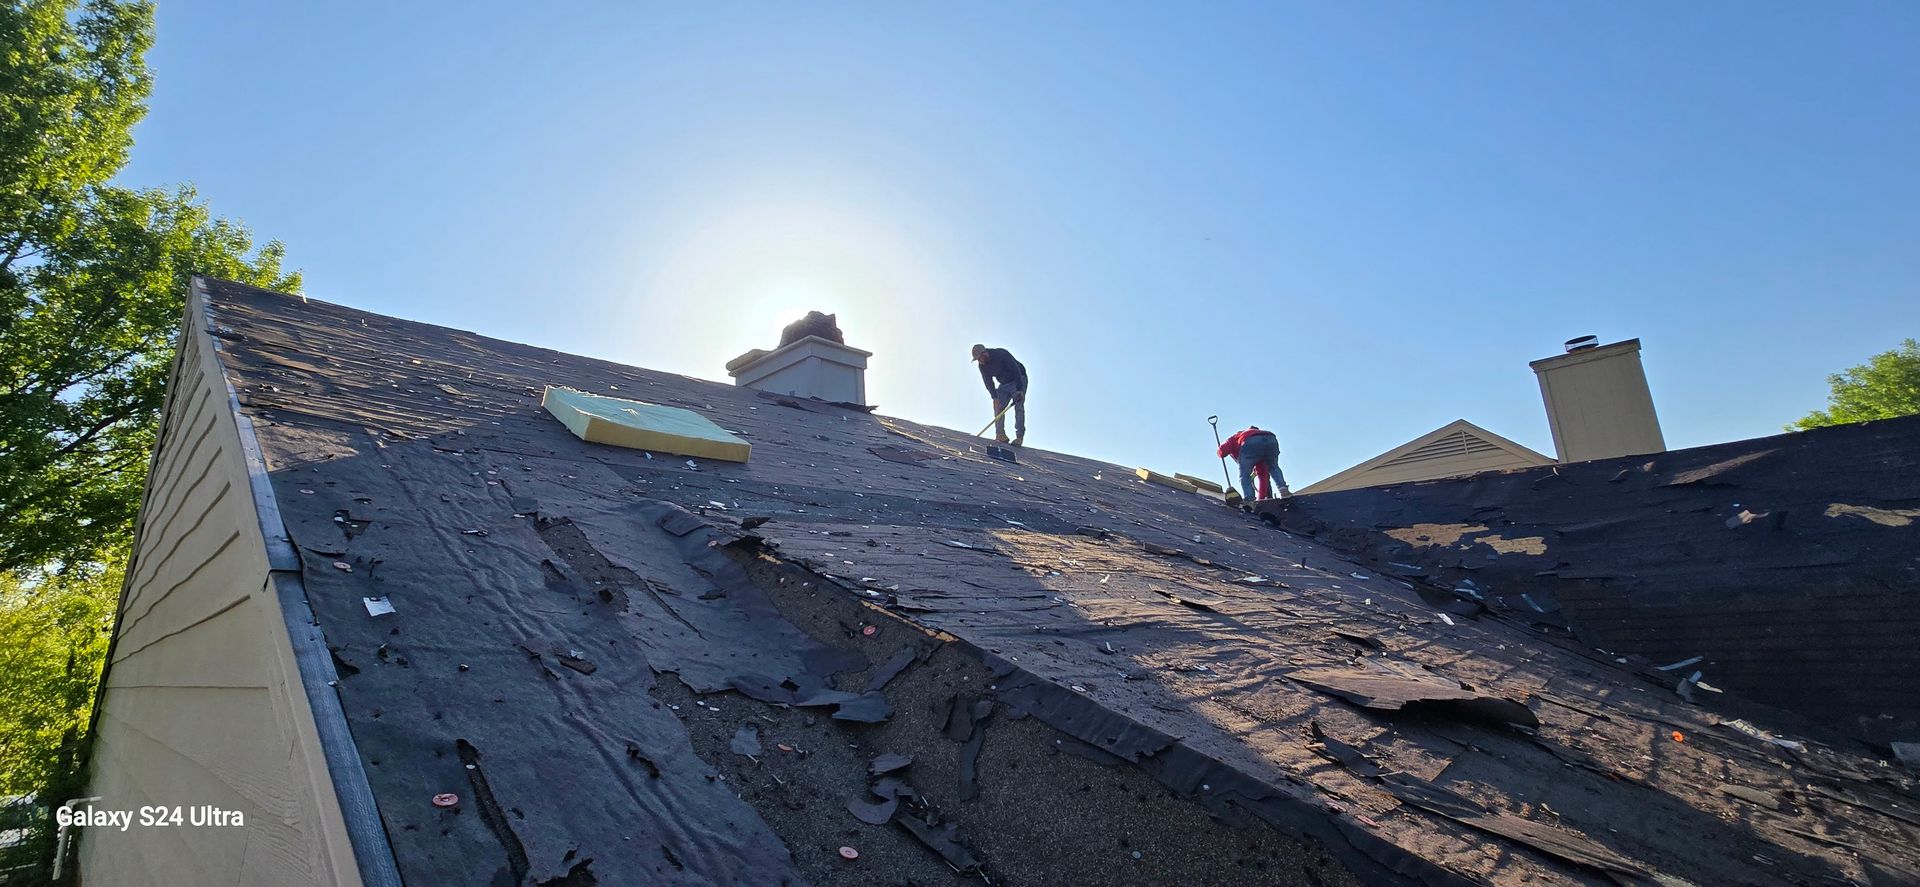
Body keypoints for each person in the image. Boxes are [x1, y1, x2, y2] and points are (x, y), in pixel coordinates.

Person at [971, 343, 1027, 446]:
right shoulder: (982, 366)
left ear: (985, 353)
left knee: (1019, 406)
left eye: (980, 358)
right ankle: (1000, 434)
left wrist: (1020, 390)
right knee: (998, 407)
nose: (979, 361)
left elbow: (1016, 371)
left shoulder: (1001, 354)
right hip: (1004, 384)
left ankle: (1019, 437)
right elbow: (988, 382)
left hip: (1018, 379)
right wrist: (995, 398)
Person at [1218, 425, 1289, 501]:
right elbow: (1263, 479)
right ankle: (1283, 489)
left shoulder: (1236, 437)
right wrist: (1261, 500)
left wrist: (1220, 453)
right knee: (1273, 467)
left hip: (1250, 441)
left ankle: (1249, 499)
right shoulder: (1259, 459)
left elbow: (1222, 450)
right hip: (1271, 439)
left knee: (1244, 475)